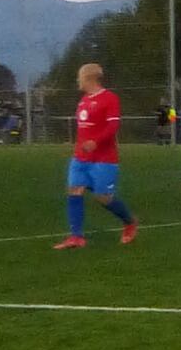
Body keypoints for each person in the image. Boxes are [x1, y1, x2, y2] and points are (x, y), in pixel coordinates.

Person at [53, 63, 137, 249]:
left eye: (80, 77)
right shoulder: (83, 101)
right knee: (74, 190)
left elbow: (112, 126)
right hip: (80, 158)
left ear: (89, 78)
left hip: (104, 159)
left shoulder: (110, 99)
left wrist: (95, 142)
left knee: (103, 197)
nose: (78, 81)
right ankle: (76, 237)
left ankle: (130, 222)